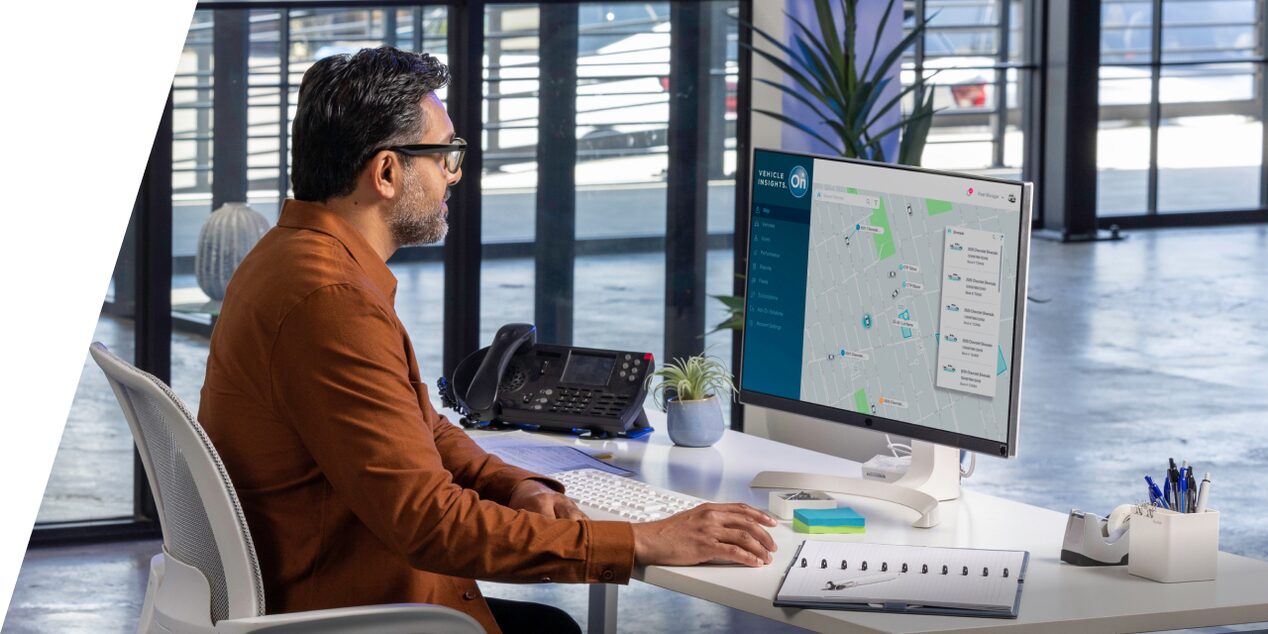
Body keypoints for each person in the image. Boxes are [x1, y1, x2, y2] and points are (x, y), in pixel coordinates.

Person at [198, 46, 776, 634]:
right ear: (388, 172)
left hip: (337, 583)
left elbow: (419, 424)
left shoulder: (290, 258)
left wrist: (513, 484)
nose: (455, 173)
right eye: (445, 154)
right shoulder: (332, 302)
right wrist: (642, 540)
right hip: (354, 607)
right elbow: (430, 525)